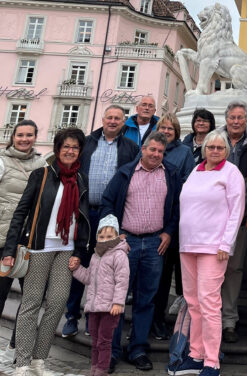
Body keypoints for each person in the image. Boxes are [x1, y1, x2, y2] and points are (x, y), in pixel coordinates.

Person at [2, 127, 89, 376]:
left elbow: (82, 219)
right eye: (66, 146)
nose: (70, 151)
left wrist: (80, 251)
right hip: (39, 247)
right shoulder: (40, 175)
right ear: (58, 149)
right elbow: (21, 212)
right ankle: (22, 363)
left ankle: (39, 361)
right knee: (31, 303)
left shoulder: (81, 179)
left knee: (58, 302)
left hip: (67, 249)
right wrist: (10, 248)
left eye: (75, 147)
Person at [101, 131, 181, 372]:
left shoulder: (171, 174)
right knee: (116, 299)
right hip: (127, 243)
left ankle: (137, 349)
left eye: (160, 151)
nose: (156, 154)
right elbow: (107, 202)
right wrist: (115, 232)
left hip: (155, 244)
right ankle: (111, 352)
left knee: (146, 300)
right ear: (143, 149)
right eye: (152, 150)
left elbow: (178, 206)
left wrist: (168, 231)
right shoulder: (126, 173)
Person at [170, 130, 245, 376]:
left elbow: (236, 210)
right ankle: (195, 354)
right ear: (204, 150)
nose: (214, 151)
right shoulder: (195, 171)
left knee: (210, 303)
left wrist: (227, 244)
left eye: (219, 148)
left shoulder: (231, 173)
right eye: (211, 147)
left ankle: (212, 360)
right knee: (193, 302)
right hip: (188, 245)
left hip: (214, 248)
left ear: (226, 151)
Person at [62, 104, 139, 339]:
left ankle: (96, 318)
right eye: (110, 117)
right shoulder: (87, 143)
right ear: (103, 119)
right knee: (79, 262)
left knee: (105, 270)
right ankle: (71, 316)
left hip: (111, 218)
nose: (113, 121)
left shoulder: (130, 147)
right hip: (84, 213)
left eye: (118, 118)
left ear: (123, 122)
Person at [0, 120, 47, 355]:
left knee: (31, 297)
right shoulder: (1, 160)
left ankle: (17, 346)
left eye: (29, 135)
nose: (25, 139)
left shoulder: (42, 164)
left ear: (35, 137)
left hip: (30, 241)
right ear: (13, 136)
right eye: (20, 135)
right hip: (2, 238)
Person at [151, 113, 195, 340]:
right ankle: (145, 319)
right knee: (146, 277)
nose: (167, 131)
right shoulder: (150, 148)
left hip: (170, 220)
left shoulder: (184, 153)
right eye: (163, 127)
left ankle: (157, 320)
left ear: (177, 132)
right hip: (147, 220)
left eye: (171, 128)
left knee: (163, 275)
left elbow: (188, 184)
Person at [69, 214, 130, 376]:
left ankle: (101, 371)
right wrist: (76, 269)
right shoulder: (96, 256)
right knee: (95, 342)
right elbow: (89, 277)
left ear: (117, 236)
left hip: (110, 308)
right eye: (101, 236)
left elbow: (122, 282)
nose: (105, 239)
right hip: (94, 307)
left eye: (109, 236)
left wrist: (118, 302)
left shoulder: (119, 255)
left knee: (104, 342)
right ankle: (94, 369)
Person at [219, 100, 247, 344]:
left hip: (241, 216)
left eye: (240, 117)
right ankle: (208, 318)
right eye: (232, 117)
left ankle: (228, 320)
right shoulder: (215, 140)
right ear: (226, 119)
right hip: (213, 217)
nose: (236, 121)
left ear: (246, 119)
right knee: (209, 268)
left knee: (233, 268)